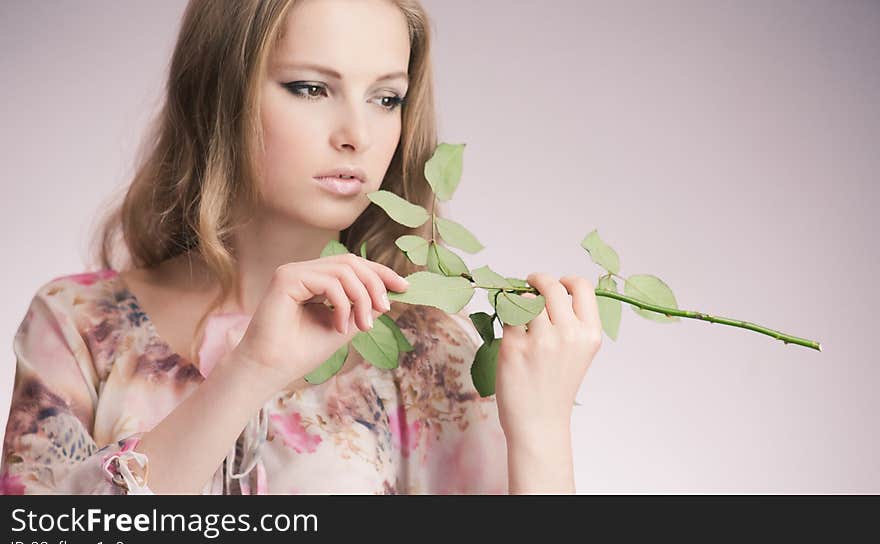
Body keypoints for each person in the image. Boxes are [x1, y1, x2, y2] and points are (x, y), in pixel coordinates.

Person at [0, 0, 603, 495]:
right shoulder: (80, 324)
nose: (357, 136)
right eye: (311, 88)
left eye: (386, 98)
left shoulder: (424, 351)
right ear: (219, 93)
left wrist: (542, 432)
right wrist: (249, 374)